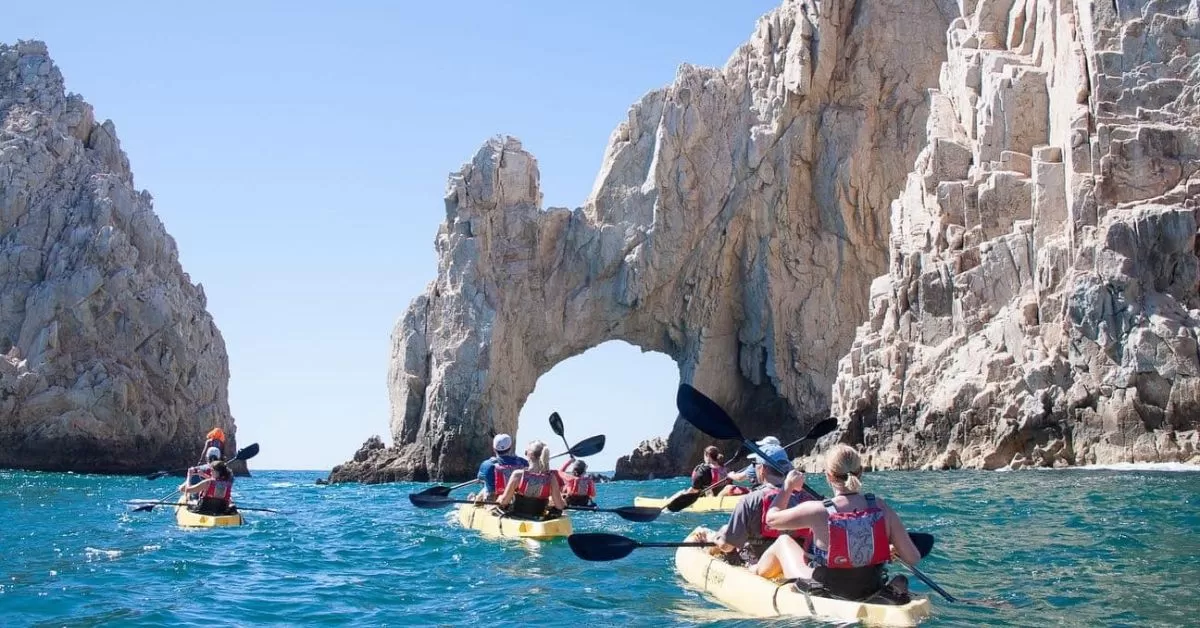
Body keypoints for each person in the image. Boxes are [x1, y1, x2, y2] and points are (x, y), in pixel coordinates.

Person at [761, 444, 921, 601]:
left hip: (826, 592)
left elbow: (771, 520)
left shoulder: (817, 510)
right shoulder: (881, 507)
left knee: (783, 542)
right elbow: (913, 558)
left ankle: (753, 570)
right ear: (861, 472)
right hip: (871, 586)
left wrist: (787, 487)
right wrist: (888, 548)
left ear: (829, 476)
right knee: (899, 579)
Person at [698, 443, 816, 573]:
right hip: (797, 563)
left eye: (755, 466)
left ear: (761, 469)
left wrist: (719, 541)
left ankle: (706, 546)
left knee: (724, 533)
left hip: (759, 565)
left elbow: (728, 545)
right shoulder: (809, 500)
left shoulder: (750, 500)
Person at [496, 440, 567, 518]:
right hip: (539, 518)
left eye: (526, 452)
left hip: (518, 517)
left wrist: (500, 498)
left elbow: (504, 502)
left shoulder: (518, 475)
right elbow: (560, 506)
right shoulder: (551, 478)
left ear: (529, 455)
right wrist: (563, 502)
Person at [716, 436, 782, 497]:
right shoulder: (785, 462)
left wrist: (731, 475)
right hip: (780, 489)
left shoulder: (759, 463)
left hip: (760, 492)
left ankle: (716, 504)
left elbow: (739, 478)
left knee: (728, 488)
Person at [473, 433, 529, 501]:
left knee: (485, 487)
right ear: (510, 448)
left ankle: (474, 500)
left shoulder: (487, 464)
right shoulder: (524, 463)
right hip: (515, 500)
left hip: (494, 500)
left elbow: (480, 478)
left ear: (494, 449)